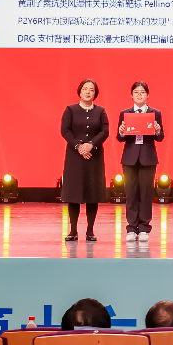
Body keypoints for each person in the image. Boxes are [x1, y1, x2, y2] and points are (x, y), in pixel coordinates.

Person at [61, 79, 110, 242]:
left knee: (92, 193)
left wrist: (91, 145)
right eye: (85, 89)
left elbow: (105, 131)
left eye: (91, 90)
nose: (88, 92)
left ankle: (90, 231)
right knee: (74, 193)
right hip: (75, 156)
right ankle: (73, 230)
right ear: (79, 91)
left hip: (94, 156)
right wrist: (79, 146)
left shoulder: (100, 111)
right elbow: (65, 130)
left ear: (95, 93)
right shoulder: (71, 110)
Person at [116, 81, 164, 243]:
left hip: (148, 157)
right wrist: (122, 132)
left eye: (142, 92)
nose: (139, 95)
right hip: (130, 158)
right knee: (131, 193)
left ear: (147, 95)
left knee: (146, 193)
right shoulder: (125, 113)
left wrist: (157, 130)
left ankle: (144, 228)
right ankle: (131, 228)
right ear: (131, 95)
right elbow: (119, 138)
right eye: (136, 92)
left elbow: (160, 137)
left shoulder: (155, 113)